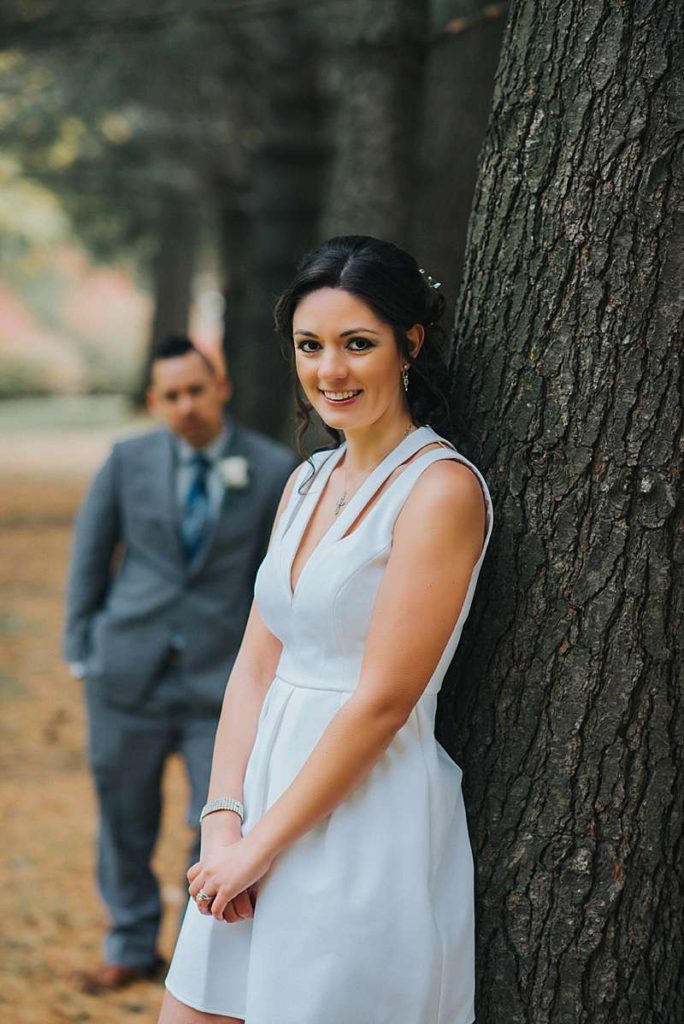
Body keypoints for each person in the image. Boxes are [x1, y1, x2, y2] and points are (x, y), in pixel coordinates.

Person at [160, 236, 494, 1024]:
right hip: (255, 809)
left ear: (409, 345)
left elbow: (381, 703)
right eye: (312, 346)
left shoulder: (439, 491)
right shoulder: (307, 479)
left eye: (357, 344)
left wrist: (261, 848)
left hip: (361, 821)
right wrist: (221, 822)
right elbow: (254, 666)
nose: (330, 372)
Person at [63, 335, 297, 994]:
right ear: (154, 401)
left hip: (222, 684)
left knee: (217, 820)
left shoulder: (275, 467)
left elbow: (276, 577)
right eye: (171, 396)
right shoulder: (126, 460)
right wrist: (82, 651)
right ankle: (130, 944)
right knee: (124, 815)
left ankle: (201, 964)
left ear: (220, 386)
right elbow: (91, 556)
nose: (185, 405)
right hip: (125, 674)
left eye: (196, 390)